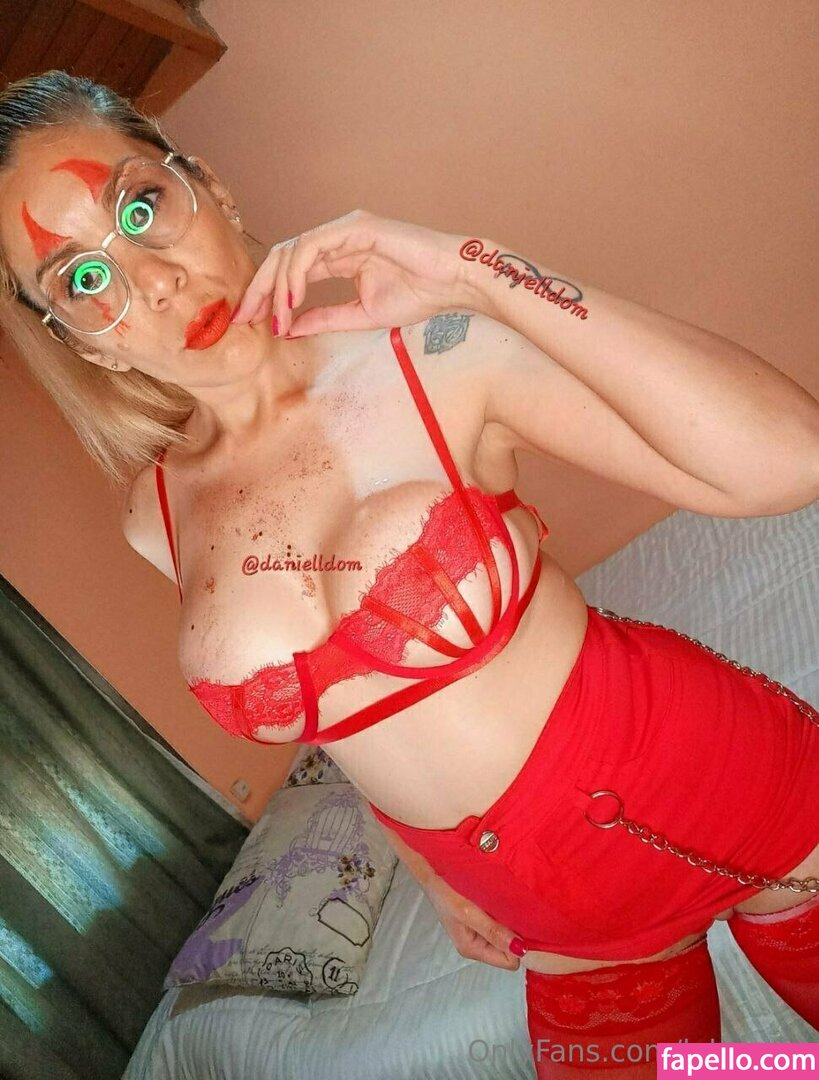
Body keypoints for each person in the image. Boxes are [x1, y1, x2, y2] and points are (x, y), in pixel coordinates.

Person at [1, 70, 817, 1077]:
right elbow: (345, 717)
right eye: (83, 281)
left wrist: (479, 272)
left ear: (207, 185)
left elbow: (789, 461)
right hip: (569, 935)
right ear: (81, 343)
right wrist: (426, 866)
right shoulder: (157, 517)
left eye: (141, 207)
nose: (154, 281)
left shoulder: (433, 355)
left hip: (746, 800)